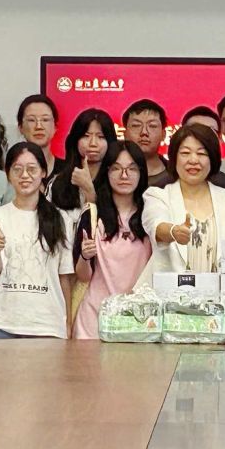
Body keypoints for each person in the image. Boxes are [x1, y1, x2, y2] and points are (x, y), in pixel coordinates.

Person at [0, 142, 76, 339]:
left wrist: (67, 323)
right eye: (17, 169)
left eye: (32, 169)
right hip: (1, 325)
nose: (25, 175)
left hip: (47, 327)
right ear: (8, 175)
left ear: (43, 172)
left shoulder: (60, 219)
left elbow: (64, 277)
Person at [72, 141, 154, 338]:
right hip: (93, 321)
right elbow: (82, 276)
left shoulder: (150, 215)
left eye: (132, 169)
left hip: (138, 321)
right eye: (116, 168)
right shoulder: (92, 215)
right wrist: (85, 256)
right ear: (106, 172)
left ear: (141, 173)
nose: (124, 175)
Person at [144, 122, 225, 275]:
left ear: (212, 159)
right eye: (185, 153)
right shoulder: (157, 196)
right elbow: (156, 226)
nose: (193, 160)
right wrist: (173, 231)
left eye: (202, 153)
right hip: (172, 289)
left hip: (221, 289)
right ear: (174, 158)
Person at [180, 105, 225, 206]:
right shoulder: (162, 187)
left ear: (220, 139)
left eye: (210, 131)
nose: (202, 136)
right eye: (195, 130)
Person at [50, 108, 116, 213]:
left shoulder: (118, 182)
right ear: (75, 140)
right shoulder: (58, 183)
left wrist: (89, 191)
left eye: (101, 136)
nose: (93, 143)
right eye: (86, 136)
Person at [124, 98, 175, 187]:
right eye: (136, 125)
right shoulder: (111, 175)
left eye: (152, 126)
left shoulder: (177, 176)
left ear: (163, 134)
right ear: (125, 134)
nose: (144, 132)